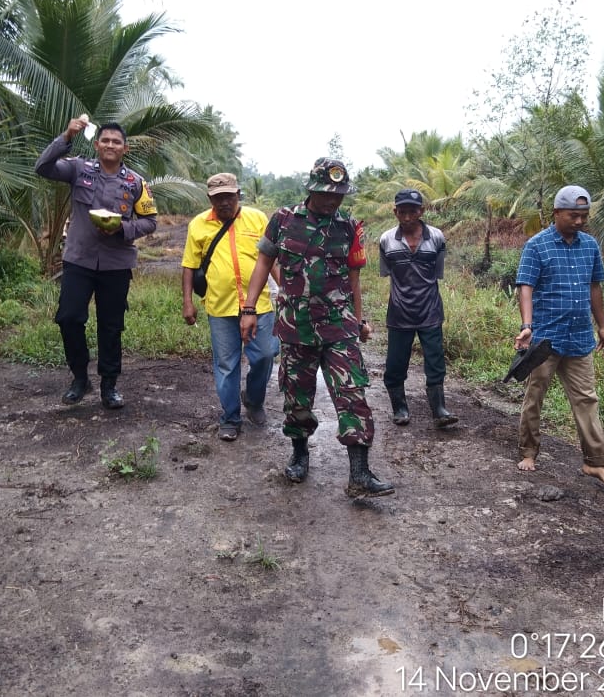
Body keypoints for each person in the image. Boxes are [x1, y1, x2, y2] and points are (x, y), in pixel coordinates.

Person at [240, 157, 394, 498]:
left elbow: (353, 278)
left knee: (353, 392)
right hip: (297, 327)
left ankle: (360, 474)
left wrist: (360, 319)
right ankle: (299, 453)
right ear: (311, 189)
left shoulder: (348, 225)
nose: (332, 200)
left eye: (339, 194)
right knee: (298, 396)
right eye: (326, 193)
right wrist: (249, 308)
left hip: (339, 326)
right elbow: (264, 262)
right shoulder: (282, 219)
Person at [35, 118, 157, 409]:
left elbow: (150, 221)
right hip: (79, 259)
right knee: (69, 317)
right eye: (106, 140)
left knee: (111, 326)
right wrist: (67, 135)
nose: (111, 145)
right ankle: (80, 378)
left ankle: (109, 385)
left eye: (116, 142)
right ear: (96, 144)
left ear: (124, 148)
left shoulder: (136, 183)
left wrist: (124, 230)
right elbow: (42, 168)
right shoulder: (78, 169)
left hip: (116, 263)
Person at [513, 185, 604, 487]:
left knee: (587, 399)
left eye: (584, 216)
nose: (579, 221)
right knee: (535, 395)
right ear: (556, 213)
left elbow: (594, 287)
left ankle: (595, 462)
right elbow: (526, 286)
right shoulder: (537, 246)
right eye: (573, 215)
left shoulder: (590, 246)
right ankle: (529, 452)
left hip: (579, 338)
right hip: (545, 339)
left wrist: (602, 325)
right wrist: (527, 324)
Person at [181, 172, 280, 441]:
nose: (224, 202)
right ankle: (230, 418)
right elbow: (190, 265)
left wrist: (285, 291)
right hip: (220, 305)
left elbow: (271, 259)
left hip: (258, 303)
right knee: (226, 364)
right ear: (210, 198)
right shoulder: (198, 225)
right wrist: (188, 302)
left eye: (229, 196)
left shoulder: (257, 218)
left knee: (265, 355)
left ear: (239, 195)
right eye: (218, 198)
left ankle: (255, 400)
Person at [378, 188, 458, 429]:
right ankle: (399, 408)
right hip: (399, 312)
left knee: (435, 362)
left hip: (430, 310)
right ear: (395, 212)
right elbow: (387, 272)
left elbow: (437, 273)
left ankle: (439, 409)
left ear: (421, 211)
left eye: (412, 211)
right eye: (402, 212)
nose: (407, 216)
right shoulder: (386, 240)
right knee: (395, 363)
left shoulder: (436, 237)